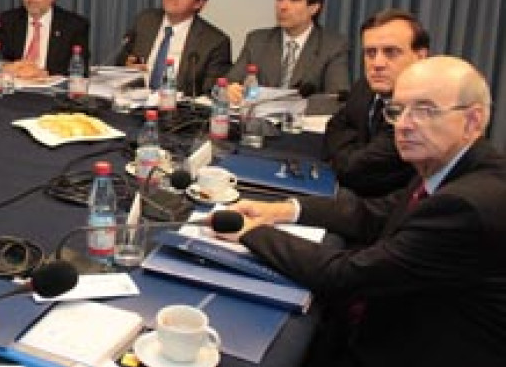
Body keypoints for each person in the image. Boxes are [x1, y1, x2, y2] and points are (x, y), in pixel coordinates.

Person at [213, 56, 505, 367]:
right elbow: (374, 214)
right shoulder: (451, 165)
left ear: (472, 121)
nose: (404, 125)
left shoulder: (466, 204)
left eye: (425, 110)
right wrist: (282, 210)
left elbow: (346, 275)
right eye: (397, 111)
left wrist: (251, 232)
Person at [324, 9, 430, 196]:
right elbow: (334, 126)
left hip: (389, 204)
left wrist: (345, 154)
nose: (377, 63)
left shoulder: (423, 109)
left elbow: (355, 169)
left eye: (391, 52)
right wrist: (352, 154)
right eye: (370, 53)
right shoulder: (365, 87)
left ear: (420, 57)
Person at [226, 0, 349, 104]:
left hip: (305, 116)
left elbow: (336, 99)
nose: (283, 6)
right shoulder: (257, 40)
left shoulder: (333, 46)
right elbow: (229, 82)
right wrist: (230, 90)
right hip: (257, 116)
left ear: (314, 8)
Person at [121, 0, 231, 96]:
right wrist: (127, 68)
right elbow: (120, 63)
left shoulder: (215, 42)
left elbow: (212, 93)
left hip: (177, 107)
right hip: (135, 101)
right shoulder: (145, 21)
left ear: (199, 3)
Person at [0, 0, 89, 78]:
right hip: (13, 86)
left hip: (52, 88)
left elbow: (79, 71)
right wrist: (12, 68)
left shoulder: (74, 25)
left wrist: (42, 75)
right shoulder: (8, 20)